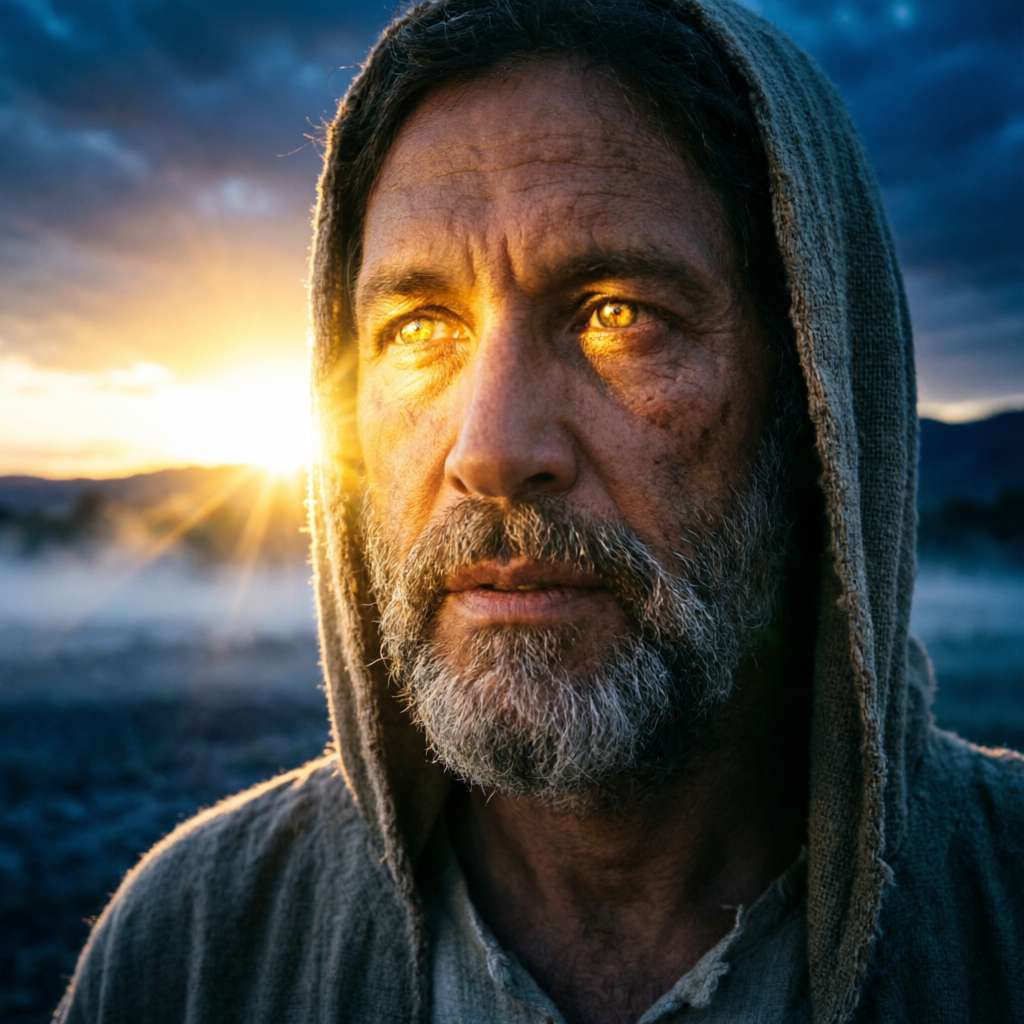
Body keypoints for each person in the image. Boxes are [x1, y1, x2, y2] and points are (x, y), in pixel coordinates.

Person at [56, 1, 1024, 1022]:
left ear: (816, 392)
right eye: (422, 324)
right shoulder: (199, 946)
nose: (492, 451)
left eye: (618, 314)